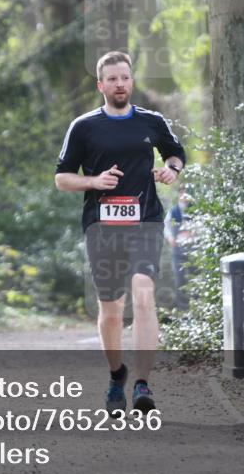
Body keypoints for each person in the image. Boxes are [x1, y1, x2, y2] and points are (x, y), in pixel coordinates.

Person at [55, 51, 185, 414]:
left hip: (145, 221)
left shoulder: (151, 121)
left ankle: (143, 382)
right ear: (101, 85)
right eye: (112, 79)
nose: (120, 84)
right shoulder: (84, 126)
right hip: (102, 226)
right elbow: (61, 178)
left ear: (132, 80)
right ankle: (117, 375)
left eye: (125, 77)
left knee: (144, 294)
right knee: (111, 309)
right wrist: (94, 181)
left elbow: (175, 154)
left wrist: (172, 170)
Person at [165, 191, 193, 310]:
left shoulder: (195, 209)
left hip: (193, 251)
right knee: (180, 281)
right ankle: (183, 311)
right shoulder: (173, 211)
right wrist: (170, 237)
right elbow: (166, 226)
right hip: (177, 250)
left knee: (195, 279)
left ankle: (198, 312)